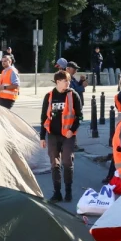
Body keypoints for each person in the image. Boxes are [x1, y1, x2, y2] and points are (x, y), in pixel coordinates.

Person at [40, 70, 82, 202]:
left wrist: (73, 129)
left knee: (67, 162)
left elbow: (79, 116)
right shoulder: (49, 96)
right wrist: (42, 137)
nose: (68, 83)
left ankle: (68, 191)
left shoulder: (73, 95)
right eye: (66, 81)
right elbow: (43, 117)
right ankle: (57, 192)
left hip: (68, 135)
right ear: (58, 82)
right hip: (53, 135)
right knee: (55, 164)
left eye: (69, 80)